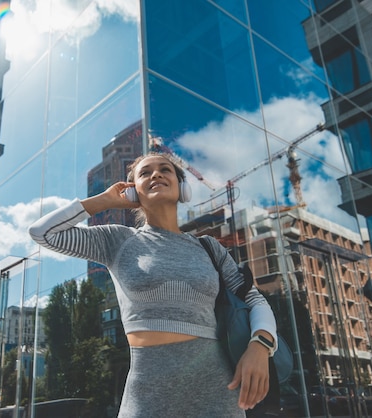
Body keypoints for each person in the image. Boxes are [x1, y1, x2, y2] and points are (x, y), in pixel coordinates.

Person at [29, 152, 278, 417]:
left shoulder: (209, 248)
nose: (156, 174)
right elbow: (43, 233)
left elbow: (254, 299)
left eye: (165, 170)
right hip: (146, 393)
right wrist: (105, 201)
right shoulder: (117, 240)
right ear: (133, 191)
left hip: (216, 390)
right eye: (145, 173)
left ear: (183, 187)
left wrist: (260, 345)